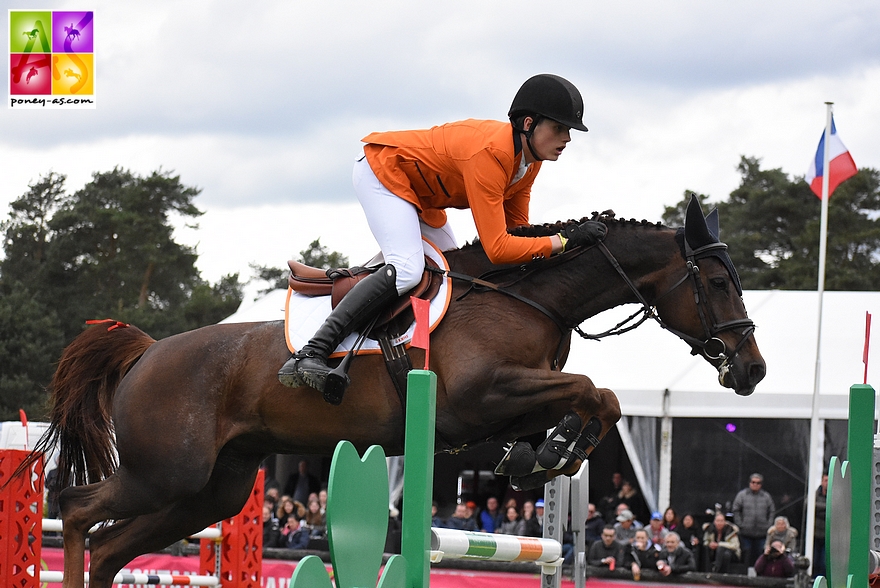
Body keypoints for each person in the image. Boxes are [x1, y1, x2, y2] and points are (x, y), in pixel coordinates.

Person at [277, 73, 606, 405]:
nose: (566, 138)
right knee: (407, 269)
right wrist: (562, 241)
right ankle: (313, 351)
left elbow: (518, 233)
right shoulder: (491, 154)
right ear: (529, 123)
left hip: (421, 198)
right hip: (383, 172)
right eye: (559, 128)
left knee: (452, 275)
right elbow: (498, 248)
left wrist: (564, 242)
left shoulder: (528, 163)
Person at [732, 473, 775, 567]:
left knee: (761, 555)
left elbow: (772, 511)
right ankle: (745, 575)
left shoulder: (766, 496)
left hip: (762, 533)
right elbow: (736, 510)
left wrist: (768, 525)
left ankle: (759, 576)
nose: (755, 484)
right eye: (753, 482)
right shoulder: (742, 495)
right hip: (745, 533)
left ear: (761, 484)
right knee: (746, 555)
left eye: (758, 483)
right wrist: (740, 524)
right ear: (749, 483)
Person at [813, 474, 828, 577]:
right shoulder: (815, 494)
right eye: (825, 480)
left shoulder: (835, 495)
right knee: (814, 561)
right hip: (815, 535)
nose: (827, 483)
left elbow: (835, 509)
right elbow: (809, 505)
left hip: (827, 535)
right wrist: (826, 509)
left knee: (824, 562)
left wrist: (819, 510)